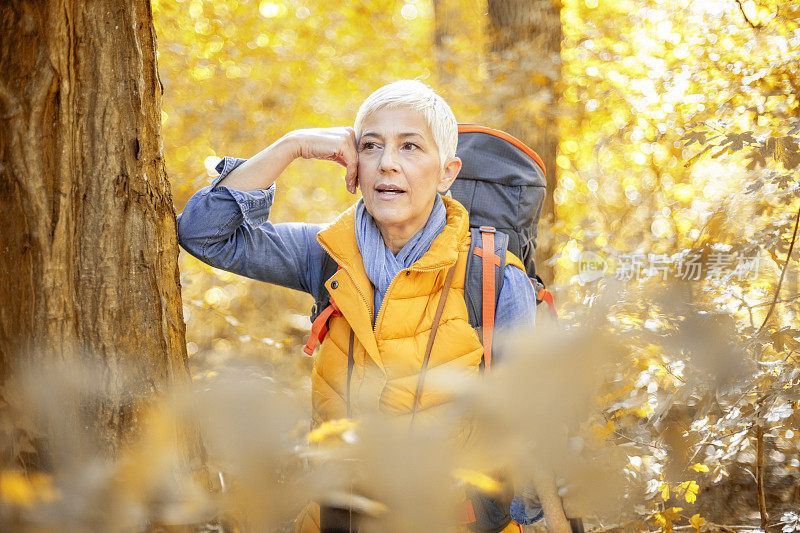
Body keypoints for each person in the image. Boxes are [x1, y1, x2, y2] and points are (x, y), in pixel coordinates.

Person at [177, 80, 570, 532]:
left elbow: (528, 430)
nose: (387, 164)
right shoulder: (326, 253)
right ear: (354, 164)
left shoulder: (494, 275)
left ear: (447, 173)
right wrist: (294, 145)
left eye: (410, 147)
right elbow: (204, 233)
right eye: (371, 146)